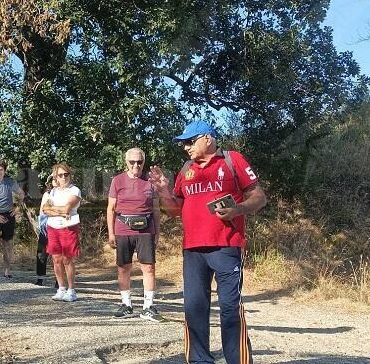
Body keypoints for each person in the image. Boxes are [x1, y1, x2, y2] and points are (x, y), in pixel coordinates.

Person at [149, 121, 267, 364]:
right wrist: (163, 191)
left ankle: (239, 360)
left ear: (207, 139)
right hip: (192, 249)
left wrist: (238, 210)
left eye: (190, 142)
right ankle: (200, 360)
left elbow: (259, 196)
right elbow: (174, 211)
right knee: (194, 307)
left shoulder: (232, 160)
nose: (186, 148)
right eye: (183, 143)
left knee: (230, 307)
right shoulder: (186, 169)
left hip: (226, 245)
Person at [106, 147, 164, 322]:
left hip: (146, 229)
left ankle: (148, 307)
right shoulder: (117, 181)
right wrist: (111, 233)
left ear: (144, 162)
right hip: (123, 229)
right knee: (124, 268)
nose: (136, 165)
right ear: (126, 162)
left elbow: (156, 210)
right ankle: (126, 305)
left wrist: (157, 232)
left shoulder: (150, 182)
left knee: (149, 267)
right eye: (132, 162)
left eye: (139, 162)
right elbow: (110, 209)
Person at [42, 163, 81, 302]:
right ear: (55, 177)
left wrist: (55, 210)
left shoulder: (75, 190)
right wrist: (58, 211)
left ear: (70, 175)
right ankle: (61, 288)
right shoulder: (53, 192)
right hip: (53, 227)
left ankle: (71, 290)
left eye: (66, 174)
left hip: (68, 227)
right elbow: (44, 210)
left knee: (67, 259)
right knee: (56, 259)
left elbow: (67, 209)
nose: (63, 177)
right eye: (60, 175)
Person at [34, 177, 55, 287]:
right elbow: (43, 210)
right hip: (46, 226)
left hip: (58, 226)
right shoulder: (47, 194)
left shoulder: (65, 193)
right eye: (53, 179)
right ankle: (40, 277)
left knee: (57, 254)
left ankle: (58, 280)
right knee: (41, 253)